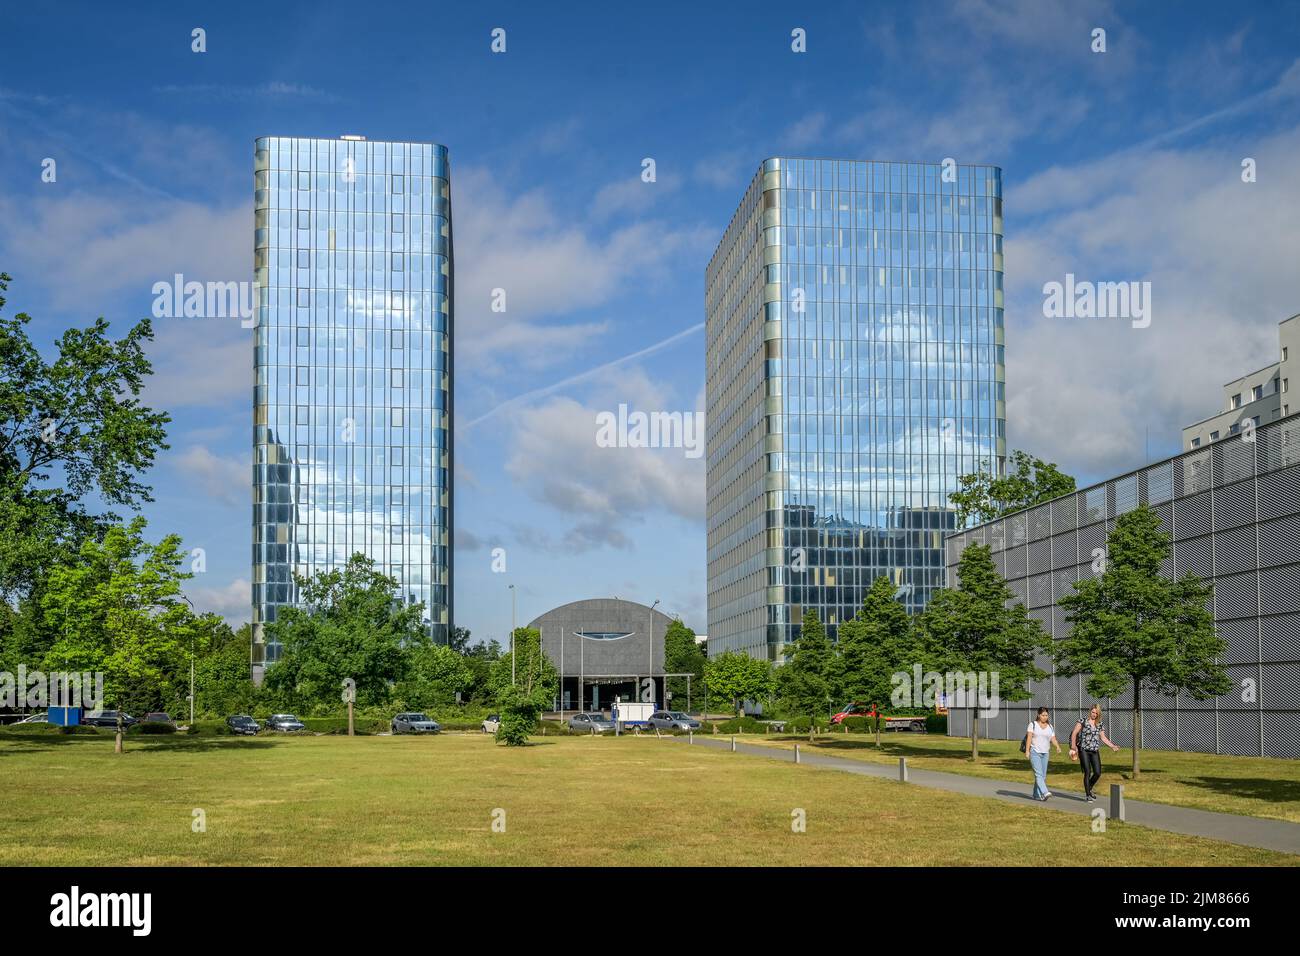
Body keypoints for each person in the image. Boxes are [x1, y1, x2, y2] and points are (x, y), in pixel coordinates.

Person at [1070, 704, 1120, 802]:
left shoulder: (1099, 724)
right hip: (1083, 749)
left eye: (1096, 713)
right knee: (1087, 772)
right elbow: (1074, 733)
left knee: (1097, 773)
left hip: (1094, 750)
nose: (1094, 715)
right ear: (1090, 711)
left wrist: (1112, 746)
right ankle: (1088, 794)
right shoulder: (1082, 721)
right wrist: (1073, 746)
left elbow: (1103, 737)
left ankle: (1089, 788)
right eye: (1093, 712)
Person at [1025, 706, 1061, 801]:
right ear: (1038, 715)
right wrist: (1027, 751)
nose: (1045, 717)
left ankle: (1036, 794)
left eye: (1046, 715)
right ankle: (1045, 792)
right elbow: (1029, 738)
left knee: (1043, 776)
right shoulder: (1033, 724)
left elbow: (1053, 738)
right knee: (1038, 774)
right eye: (1043, 715)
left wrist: (1057, 746)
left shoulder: (1050, 727)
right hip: (1034, 752)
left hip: (1045, 753)